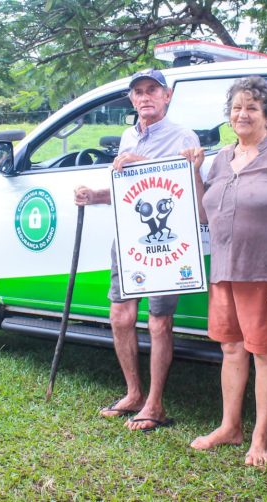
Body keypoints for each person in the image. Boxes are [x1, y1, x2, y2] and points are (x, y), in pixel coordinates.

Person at [180, 76, 267, 465]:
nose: (243, 114)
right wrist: (196, 171)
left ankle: (261, 437)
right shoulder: (222, 158)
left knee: (266, 353)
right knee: (231, 348)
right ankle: (230, 427)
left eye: (252, 108)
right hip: (225, 270)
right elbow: (206, 214)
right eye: (237, 107)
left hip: (265, 272)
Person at [74, 69, 200, 432]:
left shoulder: (183, 136)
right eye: (138, 92)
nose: (145, 97)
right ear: (131, 100)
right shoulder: (130, 135)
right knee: (121, 316)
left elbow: (179, 187)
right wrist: (94, 196)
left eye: (152, 90)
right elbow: (130, 191)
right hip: (128, 238)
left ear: (167, 96)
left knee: (159, 322)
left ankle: (155, 404)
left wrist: (138, 164)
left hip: (167, 244)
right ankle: (132, 393)